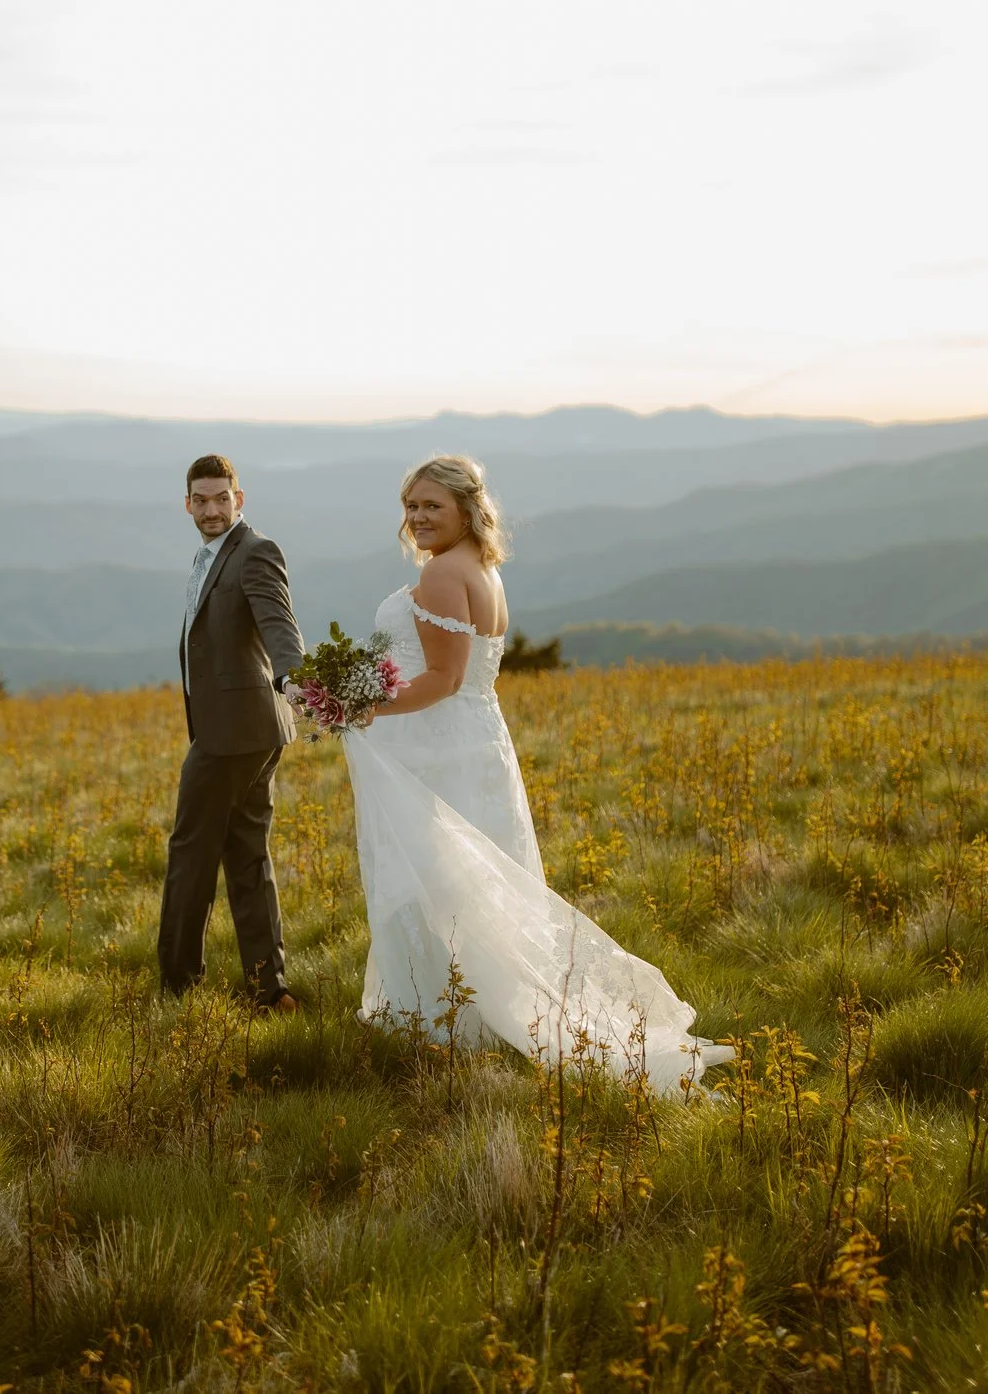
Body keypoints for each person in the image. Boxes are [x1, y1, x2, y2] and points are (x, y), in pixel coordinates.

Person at [321, 454, 730, 1091]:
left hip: (438, 749)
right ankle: (469, 1018)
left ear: (464, 509)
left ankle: (440, 1024)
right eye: (411, 506)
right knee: (475, 883)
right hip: (474, 741)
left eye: (432, 505)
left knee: (437, 884)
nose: (418, 517)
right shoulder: (481, 567)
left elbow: (443, 679)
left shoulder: (440, 579)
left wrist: (356, 703)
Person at [159, 453, 305, 1010]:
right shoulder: (209, 556)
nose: (213, 509)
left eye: (223, 498)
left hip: (234, 734)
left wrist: (294, 677)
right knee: (246, 855)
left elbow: (279, 624)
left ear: (239, 500)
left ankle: (177, 986)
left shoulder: (255, 552)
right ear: (188, 504)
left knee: (190, 853)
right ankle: (270, 990)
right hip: (248, 730)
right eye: (202, 499)